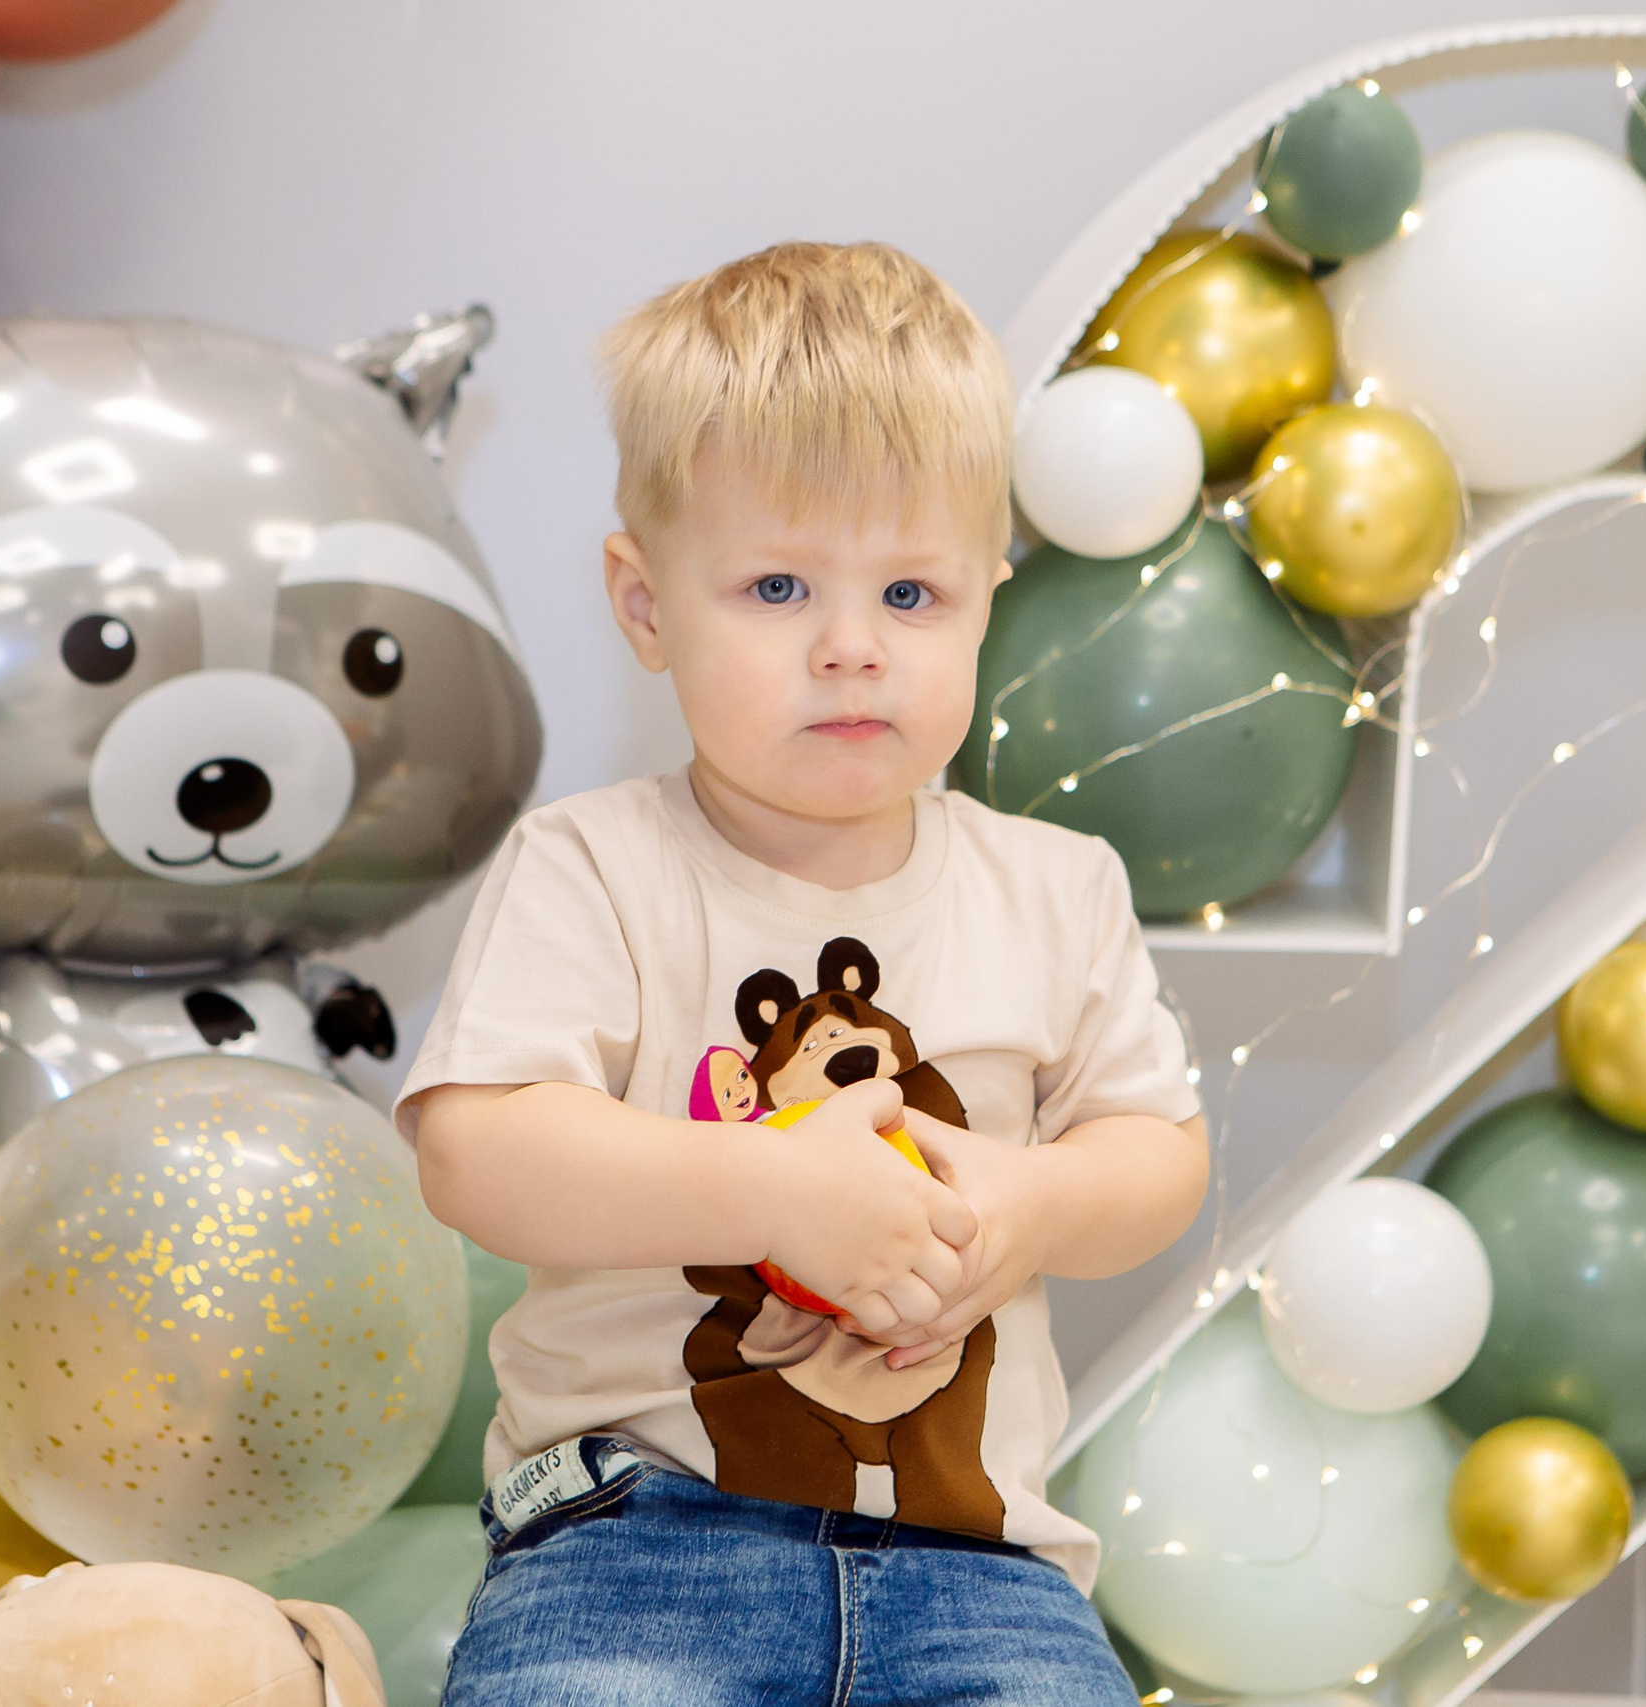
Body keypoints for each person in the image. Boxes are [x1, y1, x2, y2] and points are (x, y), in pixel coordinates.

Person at [399, 239, 1210, 1706]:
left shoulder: (1057, 887)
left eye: (912, 596)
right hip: (631, 1544)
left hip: (982, 1567)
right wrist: (776, 1188)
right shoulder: (593, 868)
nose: (850, 650)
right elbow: (476, 1149)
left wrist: (1033, 1203)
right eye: (777, 587)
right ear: (647, 608)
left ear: (987, 600)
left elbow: (1159, 1155)